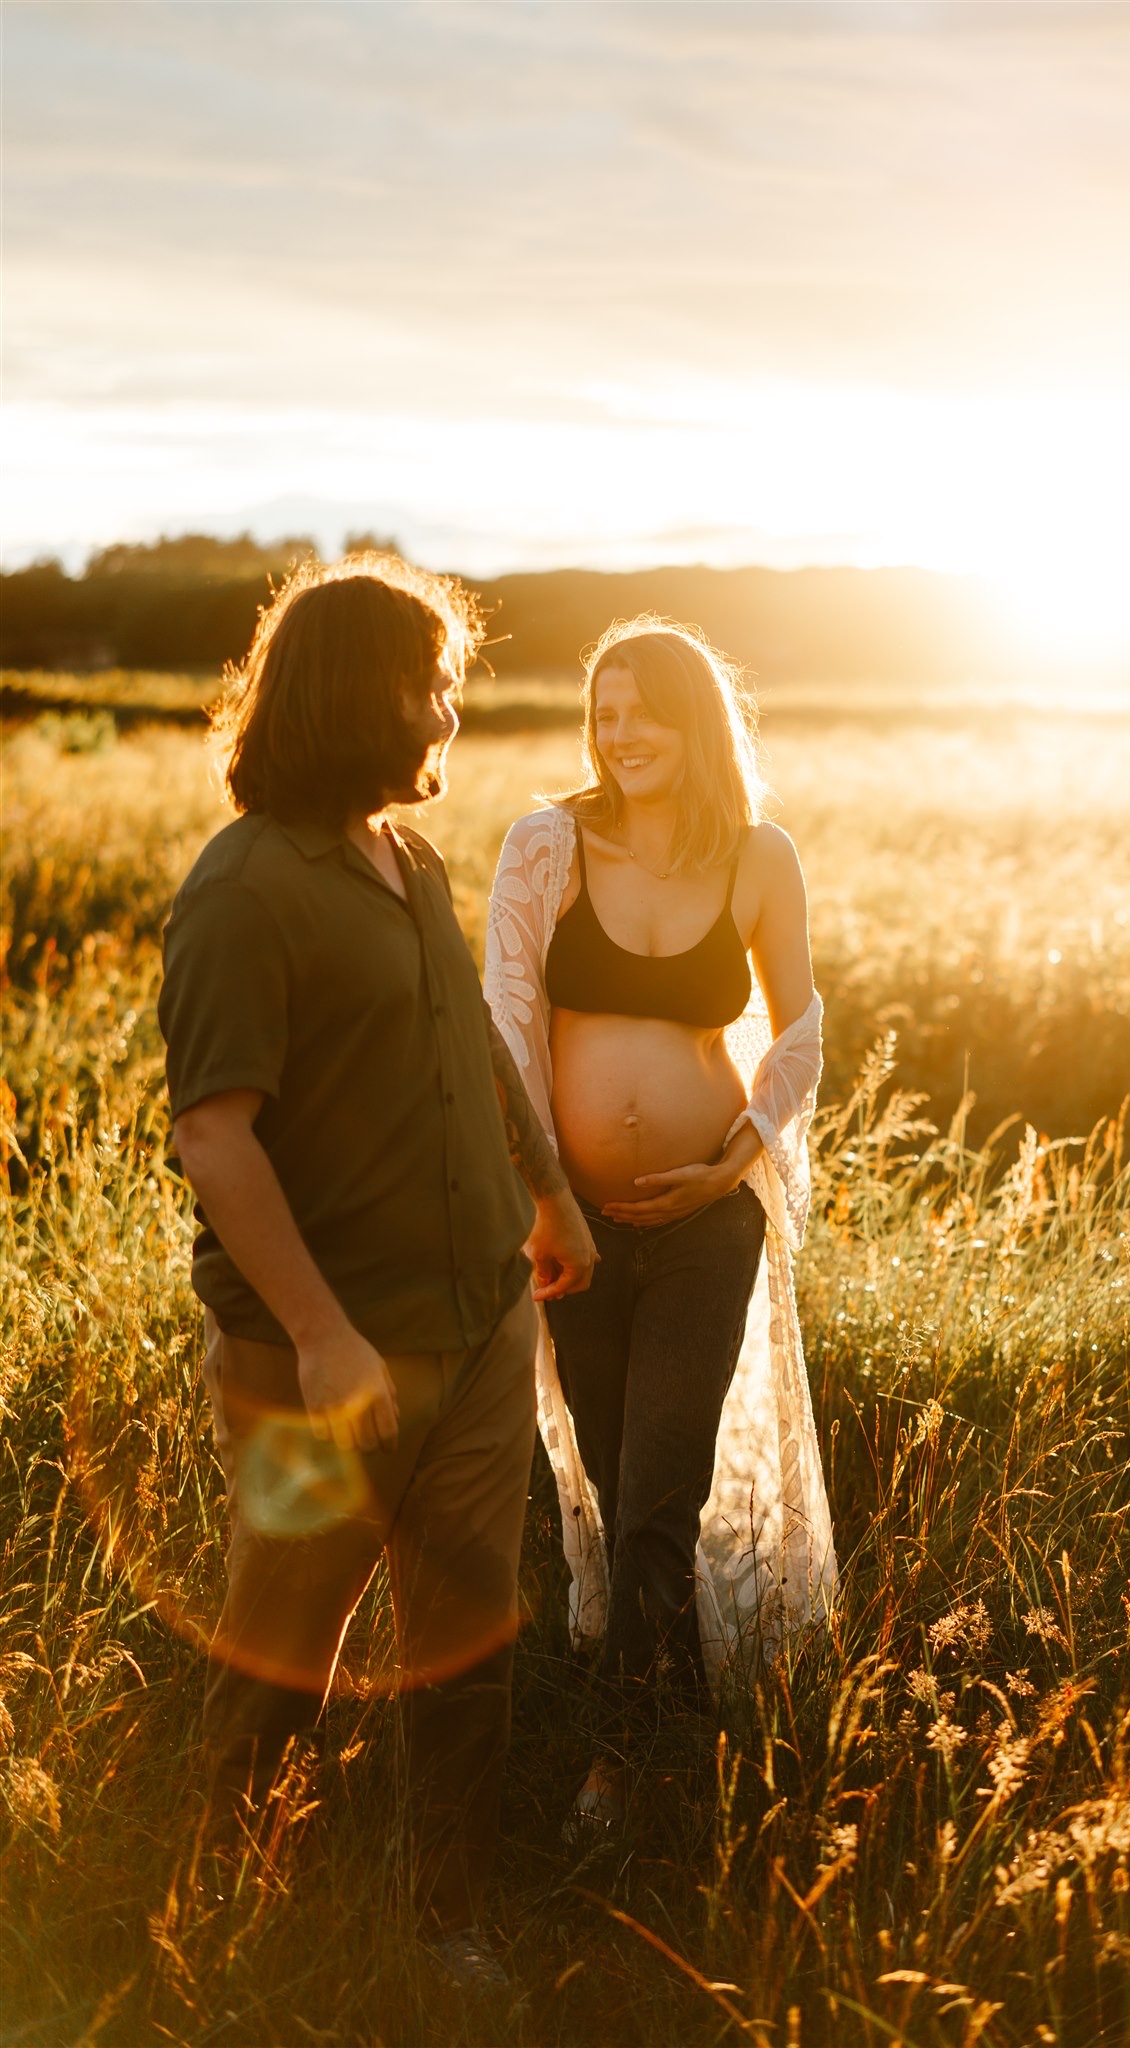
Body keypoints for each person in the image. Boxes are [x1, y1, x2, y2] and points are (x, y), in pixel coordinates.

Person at [158, 555, 595, 1986]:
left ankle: (447, 1921)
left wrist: (546, 1193)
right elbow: (217, 1141)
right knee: (284, 1644)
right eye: (431, 685)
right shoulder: (242, 892)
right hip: (318, 1361)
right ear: (355, 694)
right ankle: (223, 1915)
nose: (450, 714)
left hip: (475, 1328)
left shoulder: (409, 863)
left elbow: (466, 1035)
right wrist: (323, 1335)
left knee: (469, 1641)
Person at [483, 616, 837, 1828]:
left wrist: (733, 1160)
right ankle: (678, 1720)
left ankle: (617, 1768)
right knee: (613, 1472)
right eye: (603, 711)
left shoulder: (757, 856)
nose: (620, 732)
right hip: (574, 1230)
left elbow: (800, 1032)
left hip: (702, 1221)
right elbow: (505, 1031)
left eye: (642, 709)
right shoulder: (546, 847)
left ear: (696, 721)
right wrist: (547, 1200)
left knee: (658, 1495)